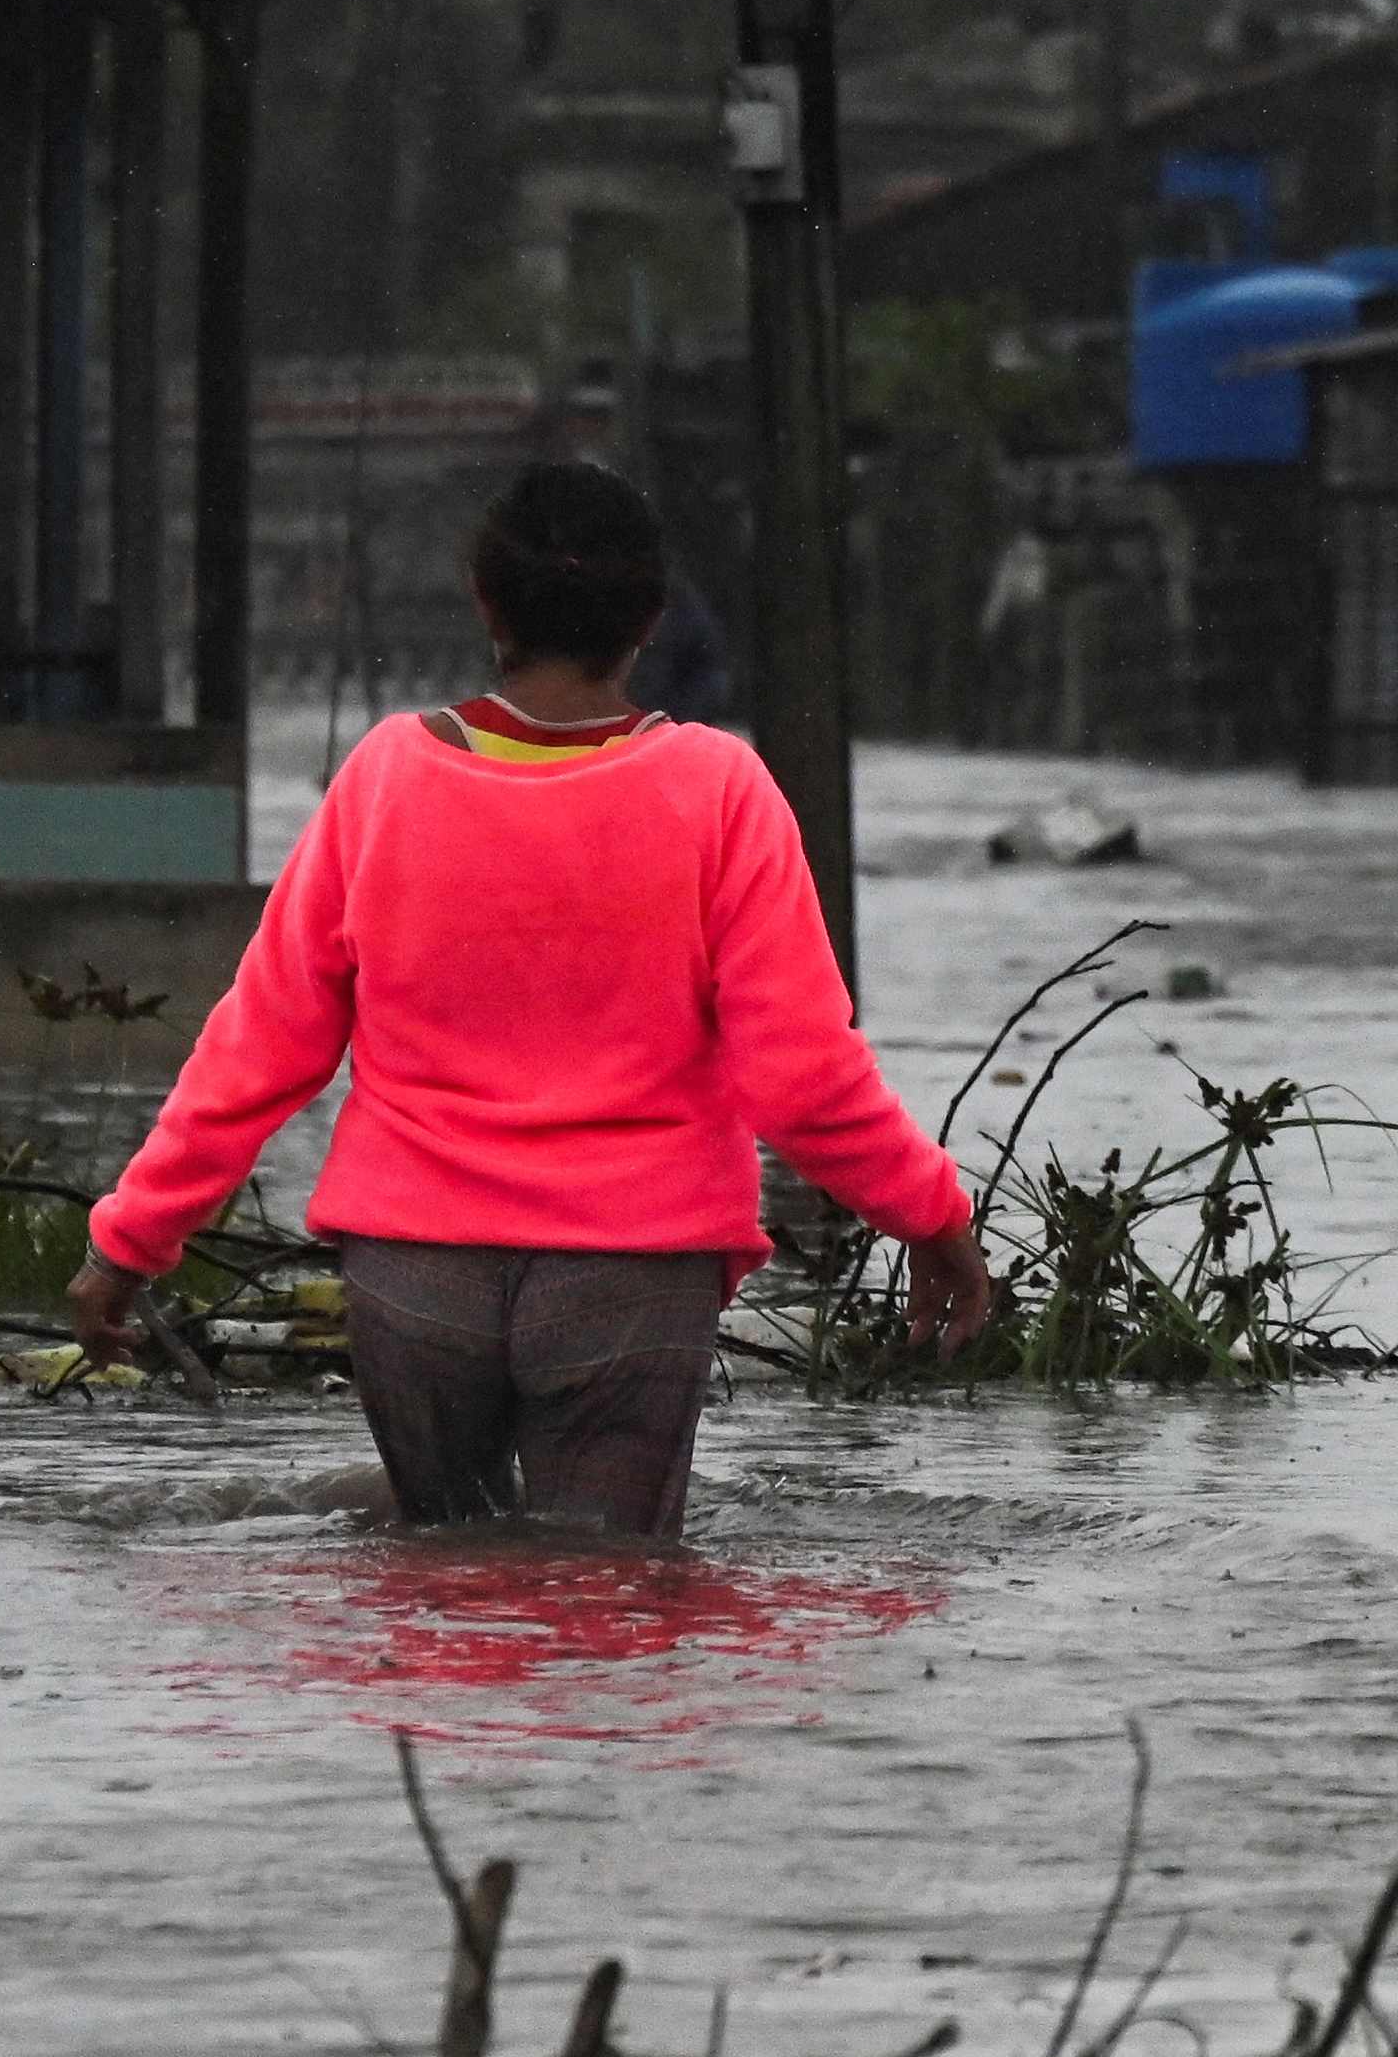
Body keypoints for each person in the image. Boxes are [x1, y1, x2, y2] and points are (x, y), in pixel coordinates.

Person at [67, 461, 997, 1530]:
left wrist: (129, 1241)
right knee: (606, 1601)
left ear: (485, 602)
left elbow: (261, 1047)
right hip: (632, 1274)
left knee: (447, 1596)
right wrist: (930, 1214)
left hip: (414, 1277)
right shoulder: (719, 792)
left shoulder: (382, 780)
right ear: (648, 618)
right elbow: (800, 1076)